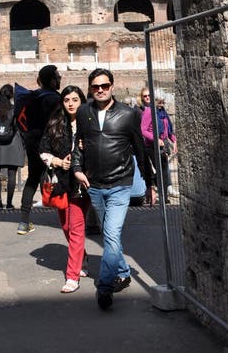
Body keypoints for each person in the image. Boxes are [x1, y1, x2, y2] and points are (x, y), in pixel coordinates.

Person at [73, 68, 147, 310]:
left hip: (120, 184)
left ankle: (105, 287)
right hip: (94, 184)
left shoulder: (128, 113)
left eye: (104, 85)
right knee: (109, 234)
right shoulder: (84, 112)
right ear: (91, 89)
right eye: (95, 87)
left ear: (112, 86)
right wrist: (76, 167)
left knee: (112, 234)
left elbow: (139, 148)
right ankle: (124, 271)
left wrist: (151, 183)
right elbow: (79, 143)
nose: (100, 90)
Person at [39, 85, 90, 292]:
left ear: (82, 101)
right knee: (67, 227)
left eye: (75, 99)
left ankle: (72, 276)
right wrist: (58, 162)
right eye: (67, 99)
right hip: (60, 184)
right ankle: (82, 257)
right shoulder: (54, 123)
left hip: (81, 184)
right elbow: (42, 150)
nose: (70, 103)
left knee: (76, 228)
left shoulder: (90, 123)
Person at [14, 64, 62, 234]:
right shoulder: (55, 99)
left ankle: (24, 221)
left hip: (32, 142)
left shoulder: (31, 97)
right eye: (58, 77)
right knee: (65, 178)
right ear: (52, 81)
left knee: (32, 179)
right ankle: (73, 219)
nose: (60, 79)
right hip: (52, 144)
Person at [0, 83, 25, 209]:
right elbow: (21, 128)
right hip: (13, 144)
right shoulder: (15, 109)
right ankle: (9, 203)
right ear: (11, 95)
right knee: (12, 173)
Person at [141, 95, 177, 201]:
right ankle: (156, 190)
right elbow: (143, 130)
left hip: (163, 144)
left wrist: (174, 140)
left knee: (164, 171)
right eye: (159, 102)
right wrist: (155, 139)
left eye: (163, 102)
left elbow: (168, 129)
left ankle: (163, 197)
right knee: (161, 170)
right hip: (151, 145)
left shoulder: (162, 112)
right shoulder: (149, 112)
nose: (161, 105)